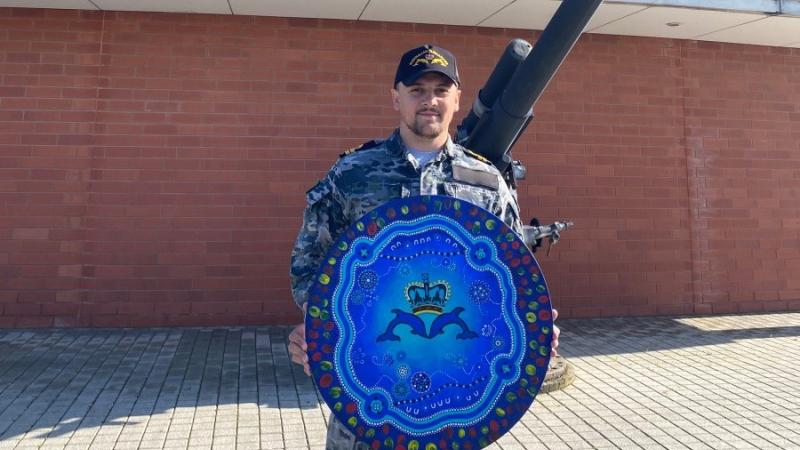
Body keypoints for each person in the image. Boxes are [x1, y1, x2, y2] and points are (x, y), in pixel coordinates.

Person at [287, 44, 559, 450]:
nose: (429, 100)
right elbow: (309, 266)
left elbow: (511, 279)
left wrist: (533, 327)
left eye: (440, 89)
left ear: (456, 99)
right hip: (368, 416)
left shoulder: (485, 183)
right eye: (416, 89)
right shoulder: (351, 176)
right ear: (395, 96)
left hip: (458, 414)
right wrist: (320, 328)